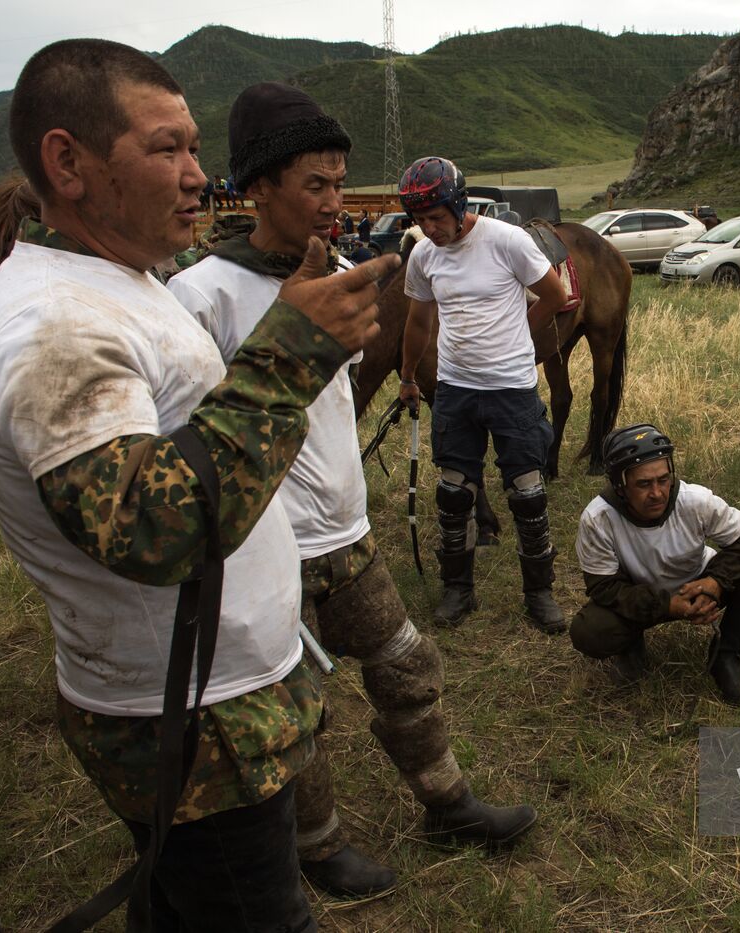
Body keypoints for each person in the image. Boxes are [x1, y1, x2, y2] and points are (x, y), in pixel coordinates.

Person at [0, 39, 398, 927]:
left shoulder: (121, 279)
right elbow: (151, 528)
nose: (200, 175)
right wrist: (293, 354)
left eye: (195, 148)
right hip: (190, 721)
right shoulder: (55, 325)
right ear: (67, 162)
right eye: (168, 149)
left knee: (180, 905)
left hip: (212, 692)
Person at [167, 84, 536, 898]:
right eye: (316, 186)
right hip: (266, 550)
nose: (337, 202)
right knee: (299, 709)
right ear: (258, 186)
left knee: (408, 664)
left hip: (347, 532)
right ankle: (319, 845)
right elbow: (198, 436)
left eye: (341, 183)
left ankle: (448, 801)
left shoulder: (337, 268)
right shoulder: (203, 296)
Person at [397, 156, 569, 631]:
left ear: (457, 204)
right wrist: (408, 376)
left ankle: (540, 594)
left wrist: (518, 334)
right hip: (455, 388)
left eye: (436, 217)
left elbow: (555, 297)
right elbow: (418, 320)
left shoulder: (506, 241)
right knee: (454, 494)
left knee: (527, 495)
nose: (430, 229)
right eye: (420, 221)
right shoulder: (425, 256)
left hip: (511, 388)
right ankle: (458, 590)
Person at [569, 423, 740, 704]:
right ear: (620, 485)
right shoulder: (598, 519)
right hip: (643, 597)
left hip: (699, 585)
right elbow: (605, 588)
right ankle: (631, 648)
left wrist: (715, 582)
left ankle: (726, 656)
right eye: (643, 484)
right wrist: (665, 605)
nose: (657, 493)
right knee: (590, 630)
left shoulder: (694, 501)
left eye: (663, 479)